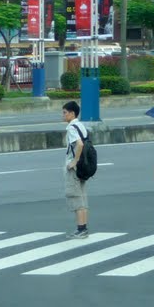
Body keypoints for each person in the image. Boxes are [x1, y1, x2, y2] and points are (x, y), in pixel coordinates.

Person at [61, 101, 90, 239]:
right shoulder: (81, 125)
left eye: (65, 112)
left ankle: (81, 229)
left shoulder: (71, 128)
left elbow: (79, 144)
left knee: (76, 198)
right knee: (82, 198)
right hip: (84, 167)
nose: (63, 115)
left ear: (72, 113)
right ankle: (83, 228)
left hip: (75, 168)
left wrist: (74, 161)